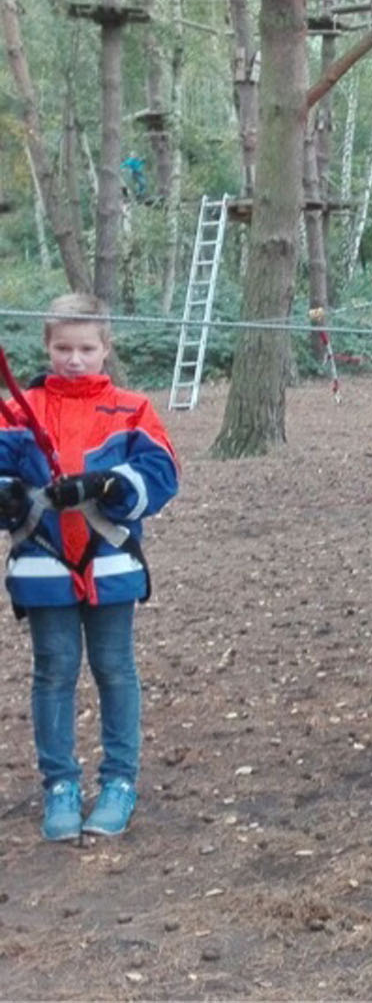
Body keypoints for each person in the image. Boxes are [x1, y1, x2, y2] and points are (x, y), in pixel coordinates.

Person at [1, 293, 178, 840]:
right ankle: (60, 784)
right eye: (63, 348)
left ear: (106, 348)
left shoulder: (131, 410)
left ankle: (120, 780)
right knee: (53, 670)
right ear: (47, 346)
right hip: (44, 564)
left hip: (109, 563)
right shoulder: (20, 410)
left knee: (114, 668)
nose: (74, 360)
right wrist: (8, 495)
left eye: (85, 348)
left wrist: (108, 485)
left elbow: (162, 472)